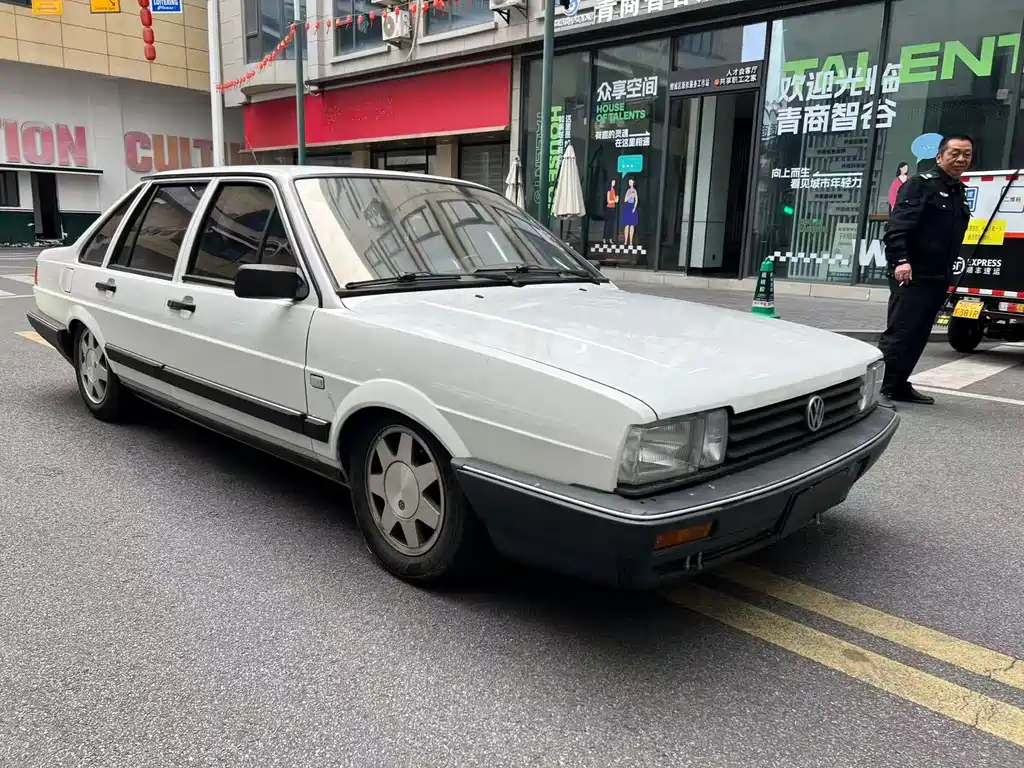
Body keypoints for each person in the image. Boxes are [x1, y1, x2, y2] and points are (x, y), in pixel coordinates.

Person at [878, 135, 973, 404]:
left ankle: (898, 384)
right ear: (940, 156)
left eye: (966, 154)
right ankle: (881, 389)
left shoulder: (958, 190)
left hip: (938, 275)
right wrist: (900, 261)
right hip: (912, 274)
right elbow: (897, 227)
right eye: (955, 153)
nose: (961, 159)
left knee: (919, 334)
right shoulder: (920, 184)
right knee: (901, 332)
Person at [621, 178, 638, 247]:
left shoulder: (635, 190)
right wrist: (630, 195)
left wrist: (634, 208)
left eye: (630, 182)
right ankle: (625, 241)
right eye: (629, 182)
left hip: (632, 207)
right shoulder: (628, 191)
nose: (629, 183)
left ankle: (630, 241)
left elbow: (636, 200)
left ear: (633, 183)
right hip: (627, 207)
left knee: (632, 225)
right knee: (627, 225)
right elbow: (625, 200)